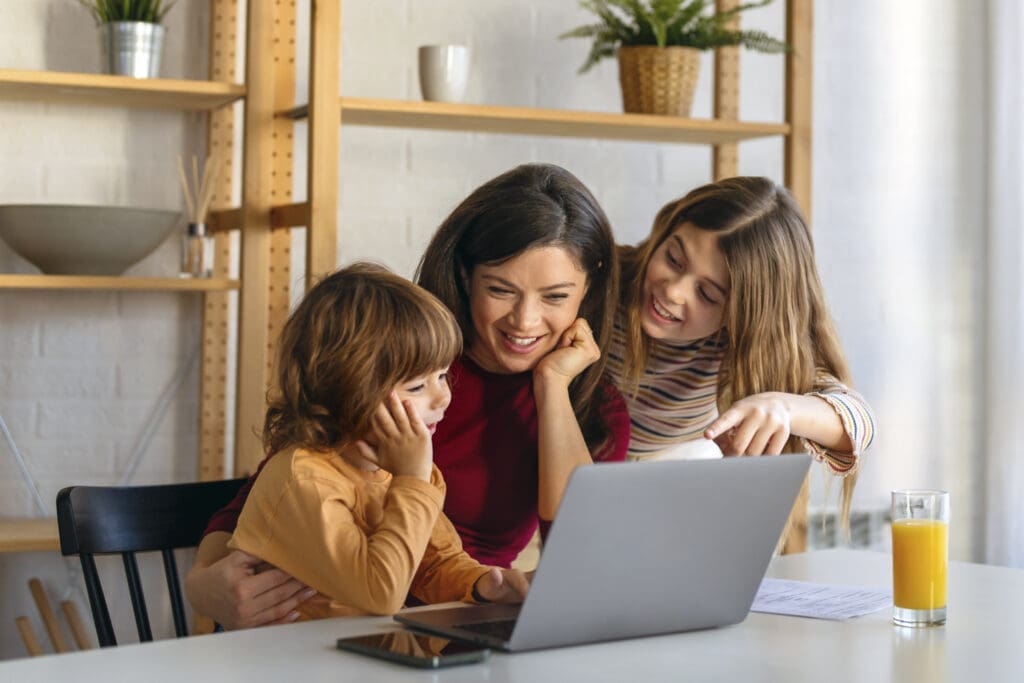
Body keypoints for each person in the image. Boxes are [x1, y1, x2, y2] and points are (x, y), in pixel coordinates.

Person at [184, 164, 631, 628]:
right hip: (334, 632)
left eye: (555, 297)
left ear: (589, 286)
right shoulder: (405, 361)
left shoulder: (594, 410)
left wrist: (552, 389)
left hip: (456, 624)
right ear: (464, 273)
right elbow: (281, 483)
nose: (524, 320)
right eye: (500, 290)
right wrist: (201, 582)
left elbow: (579, 562)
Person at [226, 263, 528, 620]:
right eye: (417, 386)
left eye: (443, 376)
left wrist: (481, 584)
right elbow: (380, 595)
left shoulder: (389, 467)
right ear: (347, 388)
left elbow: (432, 565)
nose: (443, 397)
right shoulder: (305, 480)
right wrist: (412, 482)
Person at [607, 176, 875, 530]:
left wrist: (784, 408)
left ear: (741, 316)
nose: (673, 291)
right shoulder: (601, 282)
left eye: (708, 295)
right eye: (673, 258)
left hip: (657, 511)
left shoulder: (734, 347)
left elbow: (858, 424)